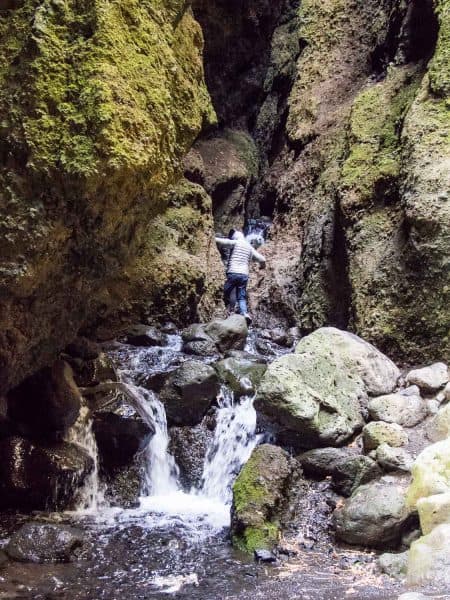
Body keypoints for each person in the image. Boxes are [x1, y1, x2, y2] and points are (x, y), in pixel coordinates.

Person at [215, 229, 266, 324]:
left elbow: (224, 242)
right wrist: (262, 267)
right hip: (244, 275)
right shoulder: (249, 247)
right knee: (241, 297)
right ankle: (244, 313)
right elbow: (262, 259)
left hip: (233, 273)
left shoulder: (236, 242)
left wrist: (213, 238)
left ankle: (227, 309)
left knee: (225, 291)